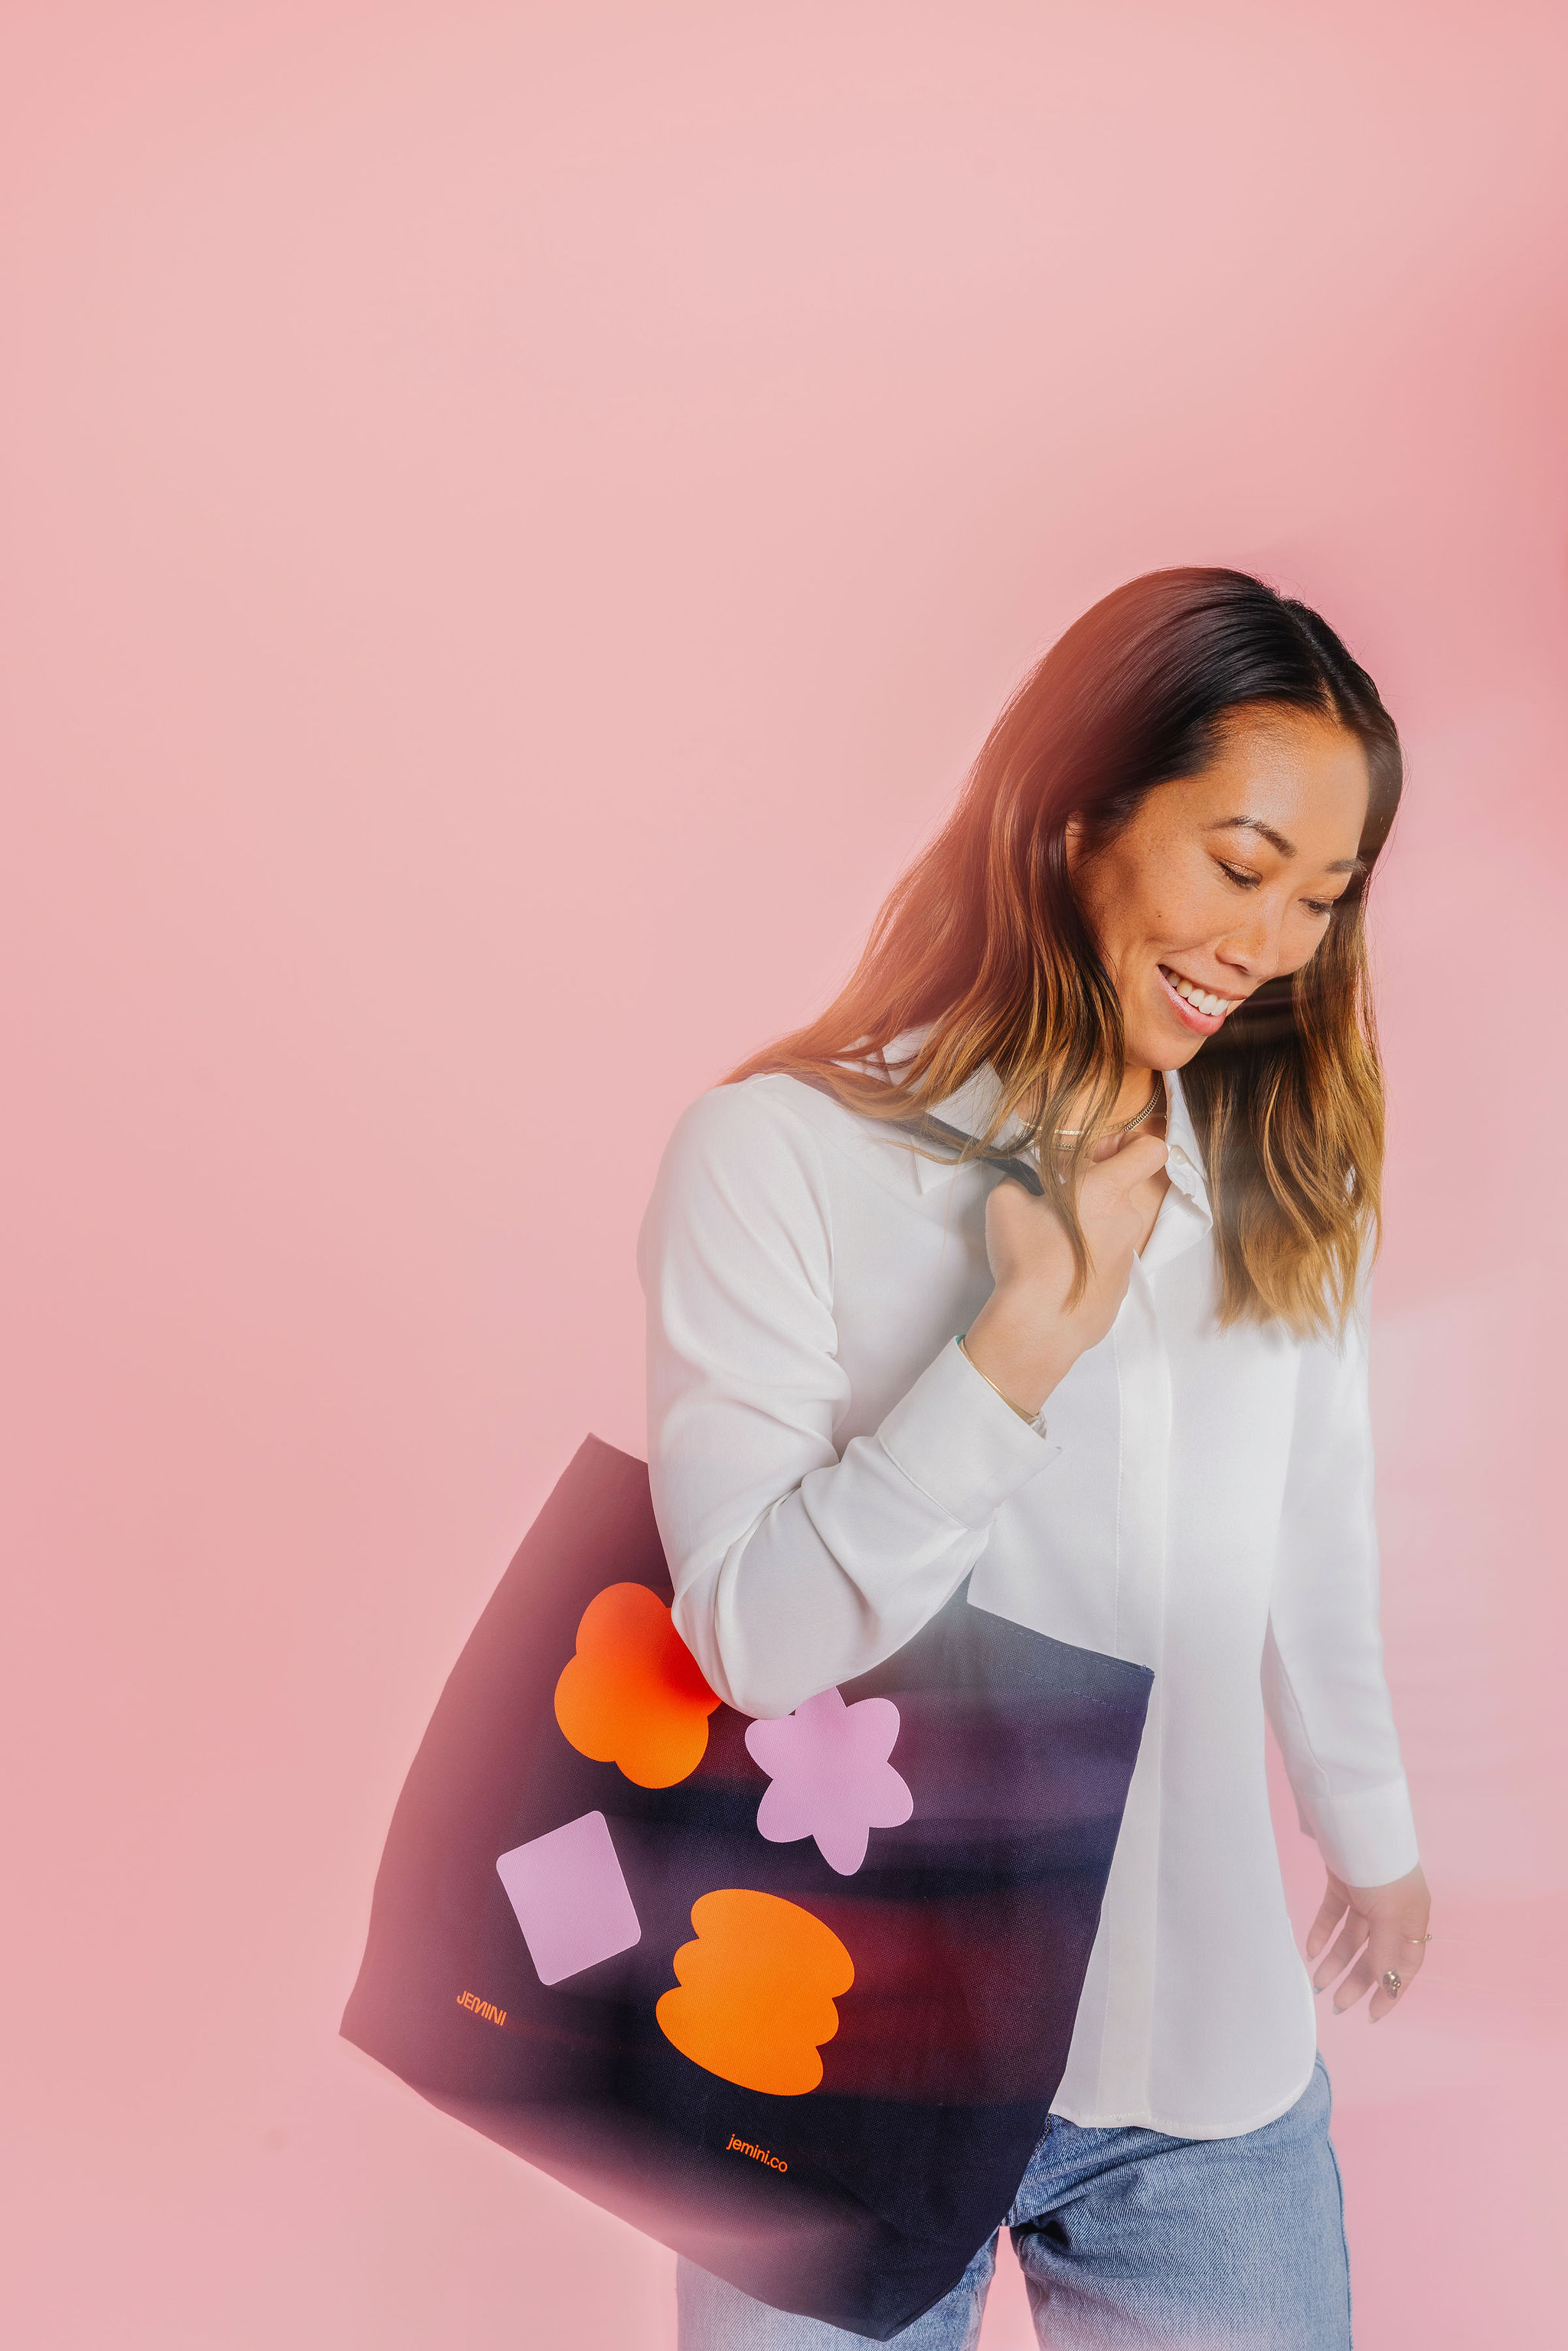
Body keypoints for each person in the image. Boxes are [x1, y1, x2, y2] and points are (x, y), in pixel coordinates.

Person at [635, 568, 1431, 2349]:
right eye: (1238, 866)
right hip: (841, 2067)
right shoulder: (775, 1158)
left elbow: (1312, 1533)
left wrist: (1367, 1829)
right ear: (1075, 819)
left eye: (1323, 895)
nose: (1273, 945)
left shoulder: (1282, 1171)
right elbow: (750, 1641)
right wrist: (1016, 1347)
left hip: (1204, 2080)